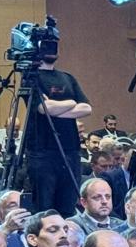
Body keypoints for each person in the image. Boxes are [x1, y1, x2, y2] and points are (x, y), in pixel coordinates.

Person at [23, 51, 90, 218]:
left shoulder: (68, 77)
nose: (51, 49)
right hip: (42, 152)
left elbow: (87, 108)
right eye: (47, 45)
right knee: (44, 209)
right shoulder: (31, 78)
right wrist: (71, 102)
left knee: (68, 206)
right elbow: (42, 108)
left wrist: (55, 109)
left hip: (71, 150)